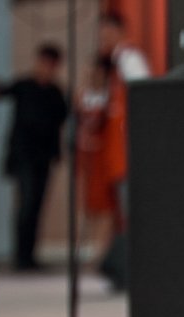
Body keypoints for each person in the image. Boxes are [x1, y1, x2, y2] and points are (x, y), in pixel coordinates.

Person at [0, 43, 69, 271]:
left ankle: (29, 255)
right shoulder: (25, 86)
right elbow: (0, 91)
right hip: (24, 156)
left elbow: (65, 116)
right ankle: (21, 255)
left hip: (43, 157)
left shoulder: (55, 93)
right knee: (27, 203)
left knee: (37, 205)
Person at [95, 12, 150, 290]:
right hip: (116, 156)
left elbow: (144, 99)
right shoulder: (112, 66)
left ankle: (132, 272)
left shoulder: (130, 60)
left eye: (107, 33)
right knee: (123, 216)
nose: (103, 40)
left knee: (132, 216)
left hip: (128, 155)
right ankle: (121, 270)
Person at [76, 56, 118, 263]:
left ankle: (102, 249)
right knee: (87, 204)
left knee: (106, 205)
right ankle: (86, 246)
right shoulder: (83, 96)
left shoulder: (111, 97)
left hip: (103, 156)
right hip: (86, 157)